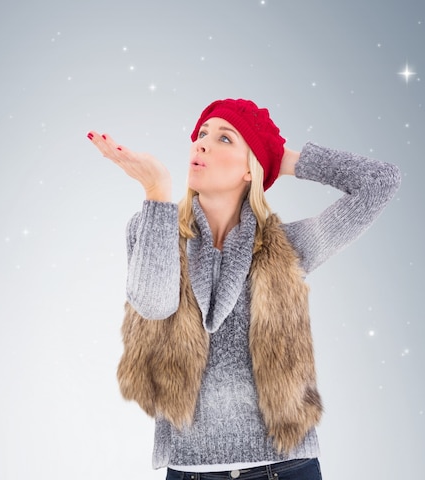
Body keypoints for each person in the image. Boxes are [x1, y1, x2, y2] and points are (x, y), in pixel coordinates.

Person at [86, 98, 401, 480]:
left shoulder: (286, 248)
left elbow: (379, 183)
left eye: (224, 138)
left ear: (250, 169)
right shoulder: (153, 228)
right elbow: (153, 305)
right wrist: (156, 189)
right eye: (202, 134)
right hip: (190, 471)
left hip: (285, 469)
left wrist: (281, 158)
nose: (201, 143)